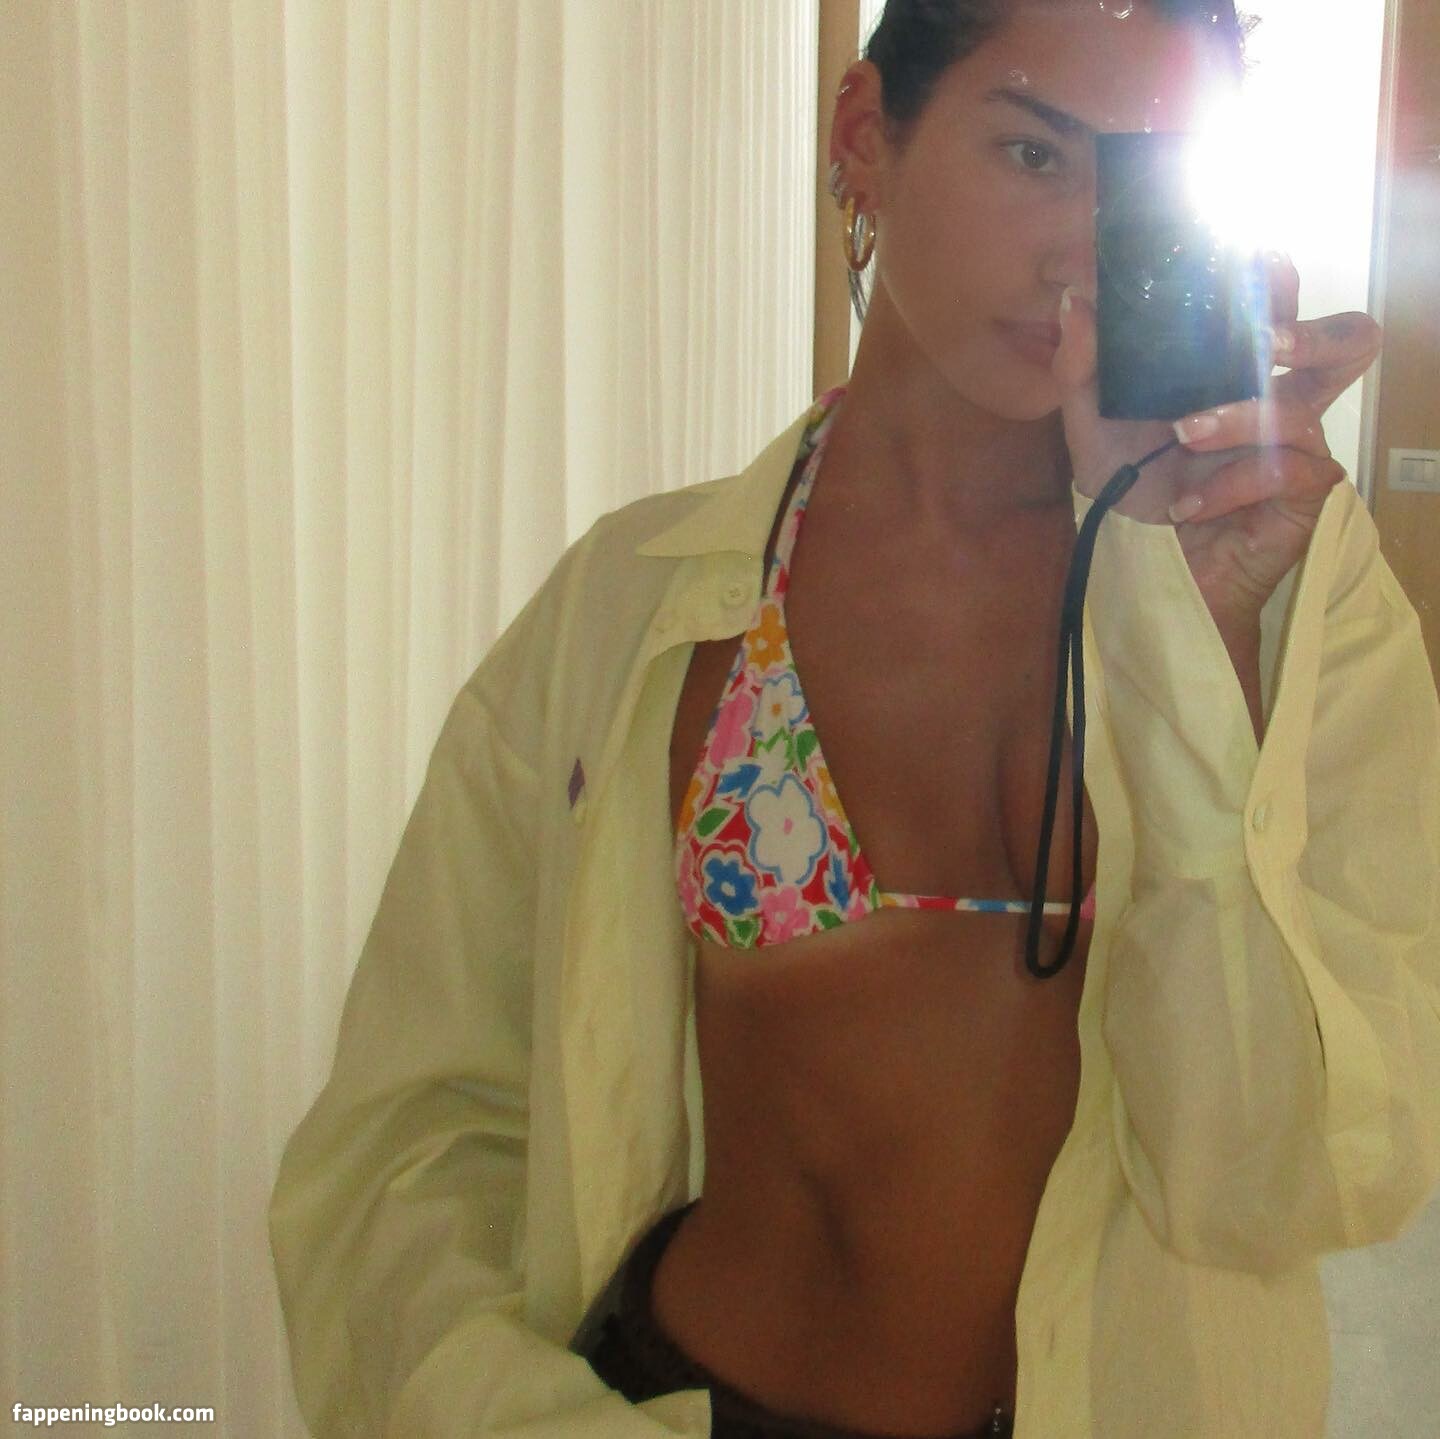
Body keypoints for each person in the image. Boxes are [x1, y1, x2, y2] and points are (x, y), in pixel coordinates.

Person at [268, 2, 1440, 1436]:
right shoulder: (639, 605)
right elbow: (416, 1128)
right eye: (1032, 154)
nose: (1081, 253)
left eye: (1148, 184)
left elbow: (1283, 1186)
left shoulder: (1296, 604)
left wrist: (1189, 647)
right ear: (864, 139)